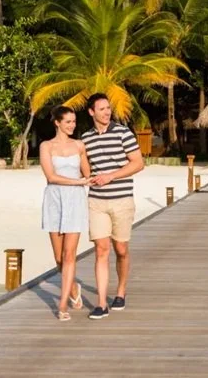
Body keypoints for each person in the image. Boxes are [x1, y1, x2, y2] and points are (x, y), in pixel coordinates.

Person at [82, 93, 145, 320]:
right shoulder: (85, 138)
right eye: (102, 109)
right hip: (96, 201)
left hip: (121, 199)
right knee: (101, 250)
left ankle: (120, 292)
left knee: (121, 249)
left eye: (108, 108)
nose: (107, 112)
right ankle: (101, 303)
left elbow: (138, 163)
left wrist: (111, 176)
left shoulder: (123, 133)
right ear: (91, 112)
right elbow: (84, 168)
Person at [39, 106, 91, 321]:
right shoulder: (46, 146)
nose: (72, 125)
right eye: (68, 122)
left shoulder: (79, 145)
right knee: (59, 257)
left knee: (70, 255)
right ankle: (73, 289)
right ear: (57, 123)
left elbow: (87, 172)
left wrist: (87, 179)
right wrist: (77, 181)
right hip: (54, 200)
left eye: (74, 121)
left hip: (75, 200)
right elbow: (50, 176)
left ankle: (62, 306)